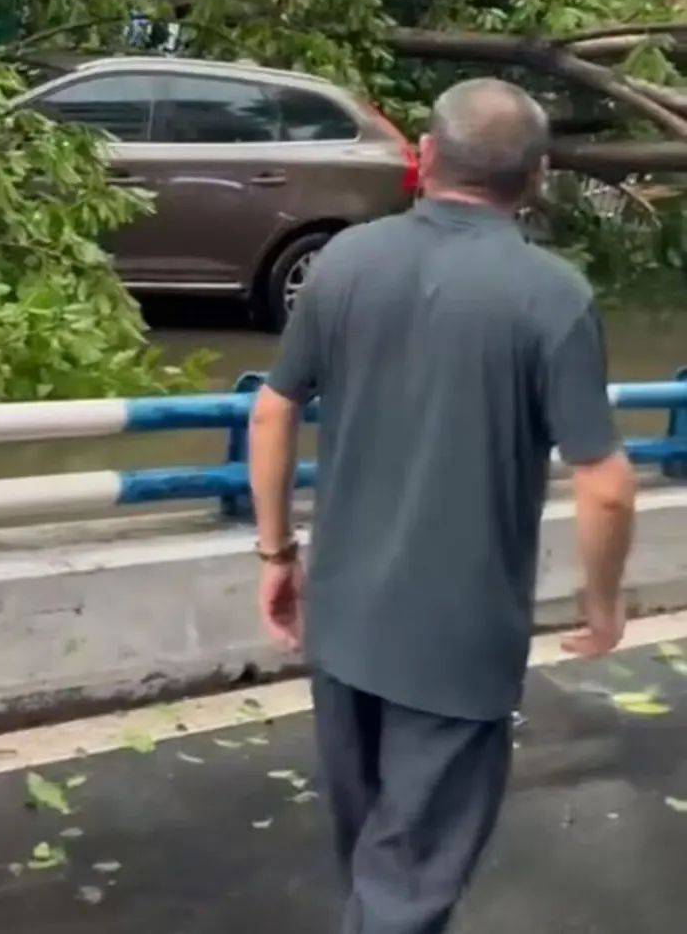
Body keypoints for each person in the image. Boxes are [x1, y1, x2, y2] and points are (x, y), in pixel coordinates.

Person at [250, 78, 636, 934]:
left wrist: (278, 557)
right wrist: (602, 603)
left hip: (345, 623)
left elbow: (272, 410)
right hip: (457, 647)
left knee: (374, 859)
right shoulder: (553, 296)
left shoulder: (345, 261)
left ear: (422, 159)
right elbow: (605, 482)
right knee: (407, 883)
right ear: (536, 178)